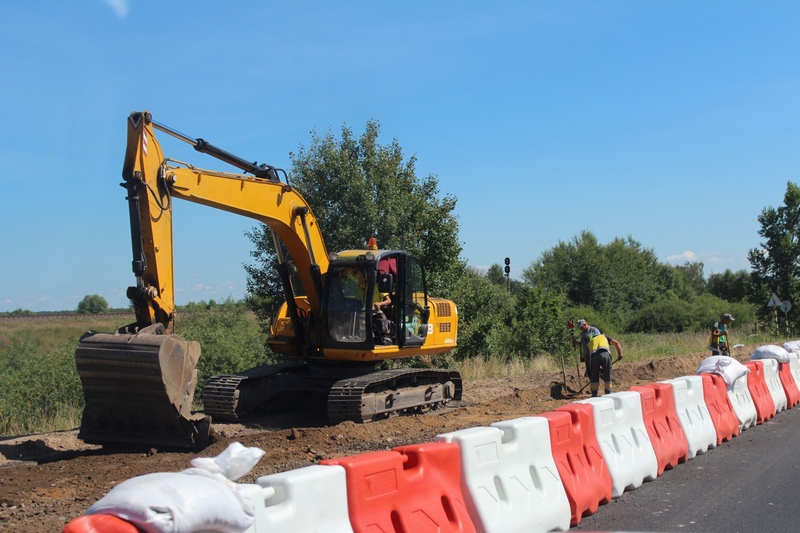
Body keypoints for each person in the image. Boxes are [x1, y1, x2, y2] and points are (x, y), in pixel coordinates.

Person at [576, 319, 623, 397]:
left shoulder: (590, 341)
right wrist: (620, 354)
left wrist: (589, 366)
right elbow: (617, 343)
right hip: (606, 355)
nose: (581, 329)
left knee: (594, 374)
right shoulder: (604, 337)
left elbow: (587, 355)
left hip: (594, 357)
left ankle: (594, 393)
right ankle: (608, 392)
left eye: (581, 327)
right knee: (607, 373)